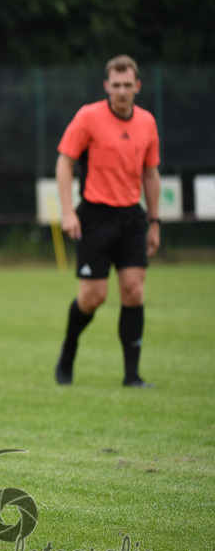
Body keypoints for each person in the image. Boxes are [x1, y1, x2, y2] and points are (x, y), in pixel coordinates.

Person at [54, 55, 161, 388]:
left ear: (137, 87)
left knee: (133, 291)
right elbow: (64, 164)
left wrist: (155, 221)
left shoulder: (147, 123)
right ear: (106, 86)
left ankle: (132, 376)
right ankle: (69, 349)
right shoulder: (88, 117)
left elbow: (151, 173)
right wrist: (69, 211)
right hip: (95, 216)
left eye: (128, 85)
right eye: (116, 85)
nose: (122, 91)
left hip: (131, 217)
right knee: (93, 297)